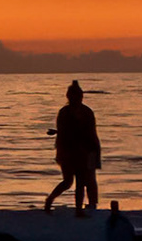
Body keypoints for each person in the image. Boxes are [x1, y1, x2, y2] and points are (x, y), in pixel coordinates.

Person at [43, 80, 101, 216]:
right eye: (74, 96)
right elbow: (64, 133)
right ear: (69, 97)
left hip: (84, 151)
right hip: (67, 152)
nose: (77, 99)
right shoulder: (64, 112)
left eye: (79, 96)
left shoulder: (87, 112)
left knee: (82, 180)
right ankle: (50, 200)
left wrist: (94, 152)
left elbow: (92, 133)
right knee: (68, 181)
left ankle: (79, 209)